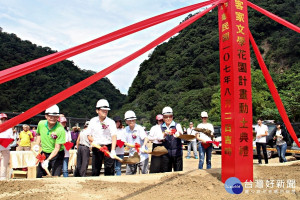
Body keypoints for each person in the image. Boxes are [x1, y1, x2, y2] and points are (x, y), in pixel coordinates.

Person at [86, 99, 117, 176]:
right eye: (103, 110)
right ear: (97, 110)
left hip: (108, 146)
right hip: (97, 147)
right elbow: (88, 135)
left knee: (109, 169)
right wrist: (94, 141)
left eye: (106, 110)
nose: (105, 112)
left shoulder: (111, 122)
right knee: (95, 169)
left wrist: (113, 150)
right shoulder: (93, 121)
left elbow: (114, 136)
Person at [34, 105, 66, 178]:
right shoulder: (41, 124)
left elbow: (57, 148)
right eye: (50, 116)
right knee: (39, 175)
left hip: (57, 154)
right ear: (46, 116)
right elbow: (38, 134)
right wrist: (37, 144)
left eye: (55, 117)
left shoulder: (60, 130)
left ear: (58, 118)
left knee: (55, 176)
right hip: (44, 153)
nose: (52, 118)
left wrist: (48, 160)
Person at [124, 110, 149, 175]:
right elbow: (123, 141)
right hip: (132, 155)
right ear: (126, 121)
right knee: (128, 174)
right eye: (130, 120)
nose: (132, 122)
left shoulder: (139, 128)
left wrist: (143, 146)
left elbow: (146, 138)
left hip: (142, 155)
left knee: (145, 174)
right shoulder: (125, 130)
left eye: (133, 120)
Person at [161, 106, 184, 172]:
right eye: (166, 117)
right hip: (166, 154)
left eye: (170, 116)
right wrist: (164, 135)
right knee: (166, 173)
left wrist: (179, 134)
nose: (168, 118)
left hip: (177, 153)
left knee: (178, 173)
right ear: (163, 118)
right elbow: (159, 137)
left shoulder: (177, 125)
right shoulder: (161, 127)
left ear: (172, 116)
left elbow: (180, 133)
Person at [0, 113, 14, 180]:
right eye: (1, 119)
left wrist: (8, 141)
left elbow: (11, 140)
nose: (3, 121)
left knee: (4, 165)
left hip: (5, 148)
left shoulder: (9, 129)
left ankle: (2, 179)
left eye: (5, 119)